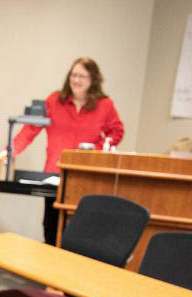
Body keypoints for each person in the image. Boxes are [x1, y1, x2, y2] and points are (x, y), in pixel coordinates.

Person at [8, 57, 125, 245]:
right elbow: (30, 129)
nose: (76, 80)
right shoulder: (55, 100)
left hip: (86, 175)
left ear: (93, 80)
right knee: (51, 226)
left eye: (82, 76)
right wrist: (10, 151)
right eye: (74, 75)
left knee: (81, 230)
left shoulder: (105, 105)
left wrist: (94, 149)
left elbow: (117, 131)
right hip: (55, 174)